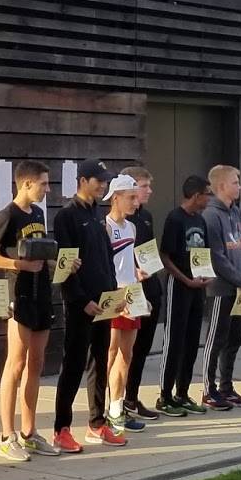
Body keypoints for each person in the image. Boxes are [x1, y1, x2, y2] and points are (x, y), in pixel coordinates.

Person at [53, 159, 125, 452]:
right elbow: (64, 265)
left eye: (106, 181)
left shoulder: (97, 213)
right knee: (73, 364)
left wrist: (114, 292)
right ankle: (61, 428)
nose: (103, 185)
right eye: (99, 180)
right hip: (81, 304)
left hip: (104, 302)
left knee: (100, 361)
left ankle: (97, 423)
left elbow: (106, 257)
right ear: (83, 180)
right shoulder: (66, 217)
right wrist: (81, 300)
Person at [0, 161, 57, 462]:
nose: (47, 189)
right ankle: (7, 435)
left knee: (37, 363)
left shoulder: (40, 214)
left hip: (41, 291)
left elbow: (40, 251)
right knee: (15, 364)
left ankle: (30, 432)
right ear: (26, 184)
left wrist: (57, 264)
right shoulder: (8, 215)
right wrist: (19, 265)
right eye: (43, 184)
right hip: (19, 294)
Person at [200, 165, 241, 411]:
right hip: (221, 289)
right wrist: (240, 281)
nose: (239, 187)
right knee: (217, 338)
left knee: (234, 337)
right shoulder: (211, 215)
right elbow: (216, 256)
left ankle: (226, 386)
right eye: (235, 182)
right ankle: (207, 388)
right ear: (221, 186)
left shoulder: (237, 212)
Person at [154, 175, 212, 416]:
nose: (209, 199)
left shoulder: (200, 219)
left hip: (198, 287)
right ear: (196, 195)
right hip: (179, 286)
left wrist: (206, 276)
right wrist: (185, 279)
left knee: (191, 341)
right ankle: (165, 395)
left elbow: (203, 251)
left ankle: (183, 391)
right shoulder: (175, 218)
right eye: (206, 194)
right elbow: (165, 256)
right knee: (175, 340)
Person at [103, 174, 147, 434]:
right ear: (116, 198)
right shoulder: (105, 226)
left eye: (136, 196)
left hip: (132, 293)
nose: (136, 202)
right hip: (114, 296)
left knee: (126, 354)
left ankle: (117, 408)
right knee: (109, 353)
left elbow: (127, 260)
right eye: (131, 197)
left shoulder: (132, 228)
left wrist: (138, 274)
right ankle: (100, 410)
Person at [121, 166, 162, 421]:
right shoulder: (121, 219)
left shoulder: (145, 217)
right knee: (126, 350)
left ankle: (132, 397)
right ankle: (120, 400)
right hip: (129, 290)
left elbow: (148, 250)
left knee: (144, 346)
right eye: (144, 186)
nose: (149, 191)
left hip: (149, 286)